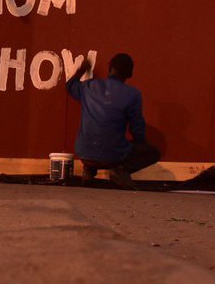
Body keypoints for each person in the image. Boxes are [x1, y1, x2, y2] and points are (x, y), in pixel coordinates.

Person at [65, 52, 160, 188]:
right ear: (129, 74)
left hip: (84, 153)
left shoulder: (88, 86)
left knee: (97, 144)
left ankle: (89, 170)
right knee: (153, 153)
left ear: (110, 69)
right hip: (113, 156)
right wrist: (140, 145)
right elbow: (137, 128)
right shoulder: (133, 94)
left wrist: (81, 70)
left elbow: (69, 86)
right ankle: (120, 170)